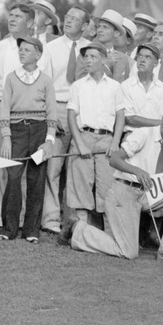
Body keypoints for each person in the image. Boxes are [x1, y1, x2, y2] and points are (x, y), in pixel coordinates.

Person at [71, 100, 163, 264]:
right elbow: (114, 159)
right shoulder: (144, 134)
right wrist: (137, 171)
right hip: (124, 191)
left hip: (147, 195)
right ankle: (78, 229)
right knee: (128, 252)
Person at [0, 36, 55, 242]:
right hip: (16, 131)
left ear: (38, 55)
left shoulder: (46, 80)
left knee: (36, 180)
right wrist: (6, 137)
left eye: (28, 50)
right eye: (20, 49)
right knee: (13, 178)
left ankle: (31, 230)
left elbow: (51, 113)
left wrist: (49, 140)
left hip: (39, 130)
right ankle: (9, 228)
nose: (22, 53)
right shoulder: (11, 78)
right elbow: (4, 108)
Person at [39, 5, 91, 234]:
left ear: (86, 25)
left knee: (77, 168)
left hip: (82, 112)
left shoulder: (91, 50)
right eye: (67, 17)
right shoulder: (50, 48)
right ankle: (50, 220)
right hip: (58, 108)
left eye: (75, 19)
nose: (69, 21)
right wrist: (51, 115)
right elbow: (45, 83)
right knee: (54, 167)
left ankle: (73, 223)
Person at [65, 39, 124, 229]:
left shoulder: (115, 86)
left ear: (104, 59)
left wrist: (115, 142)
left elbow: (120, 116)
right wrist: (79, 143)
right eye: (86, 57)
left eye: (93, 56)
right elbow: (71, 116)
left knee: (107, 187)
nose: (88, 60)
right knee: (80, 185)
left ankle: (110, 234)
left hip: (107, 139)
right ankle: (80, 232)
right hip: (84, 136)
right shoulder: (78, 86)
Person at [0, 3, 37, 230]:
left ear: (30, 23)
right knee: (1, 164)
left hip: (29, 114)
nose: (12, 19)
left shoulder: (38, 49)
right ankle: (0, 217)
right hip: (1, 110)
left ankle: (21, 218)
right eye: (11, 15)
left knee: (24, 168)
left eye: (18, 16)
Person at [119, 40, 163, 131]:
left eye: (148, 57)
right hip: (132, 135)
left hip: (156, 137)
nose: (142, 60)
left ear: (155, 63)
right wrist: (159, 123)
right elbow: (128, 118)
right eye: (140, 56)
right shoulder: (126, 85)